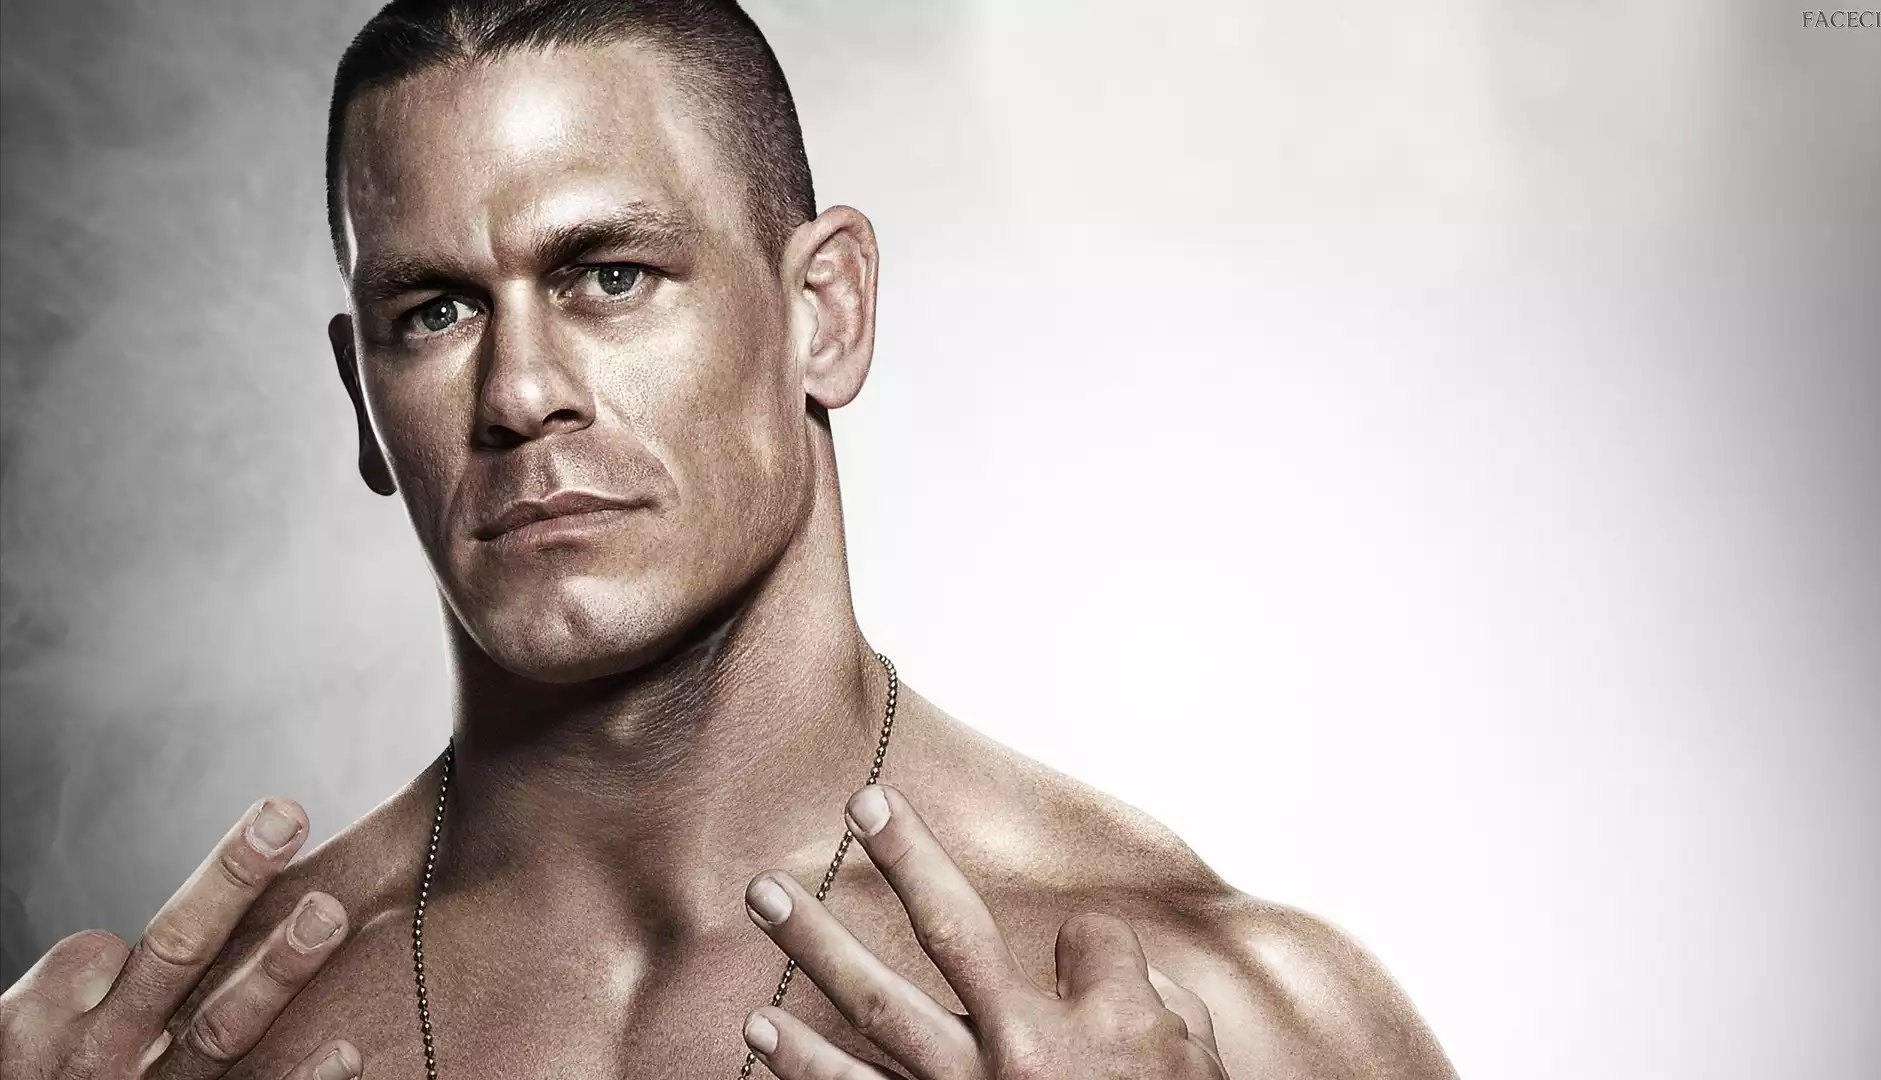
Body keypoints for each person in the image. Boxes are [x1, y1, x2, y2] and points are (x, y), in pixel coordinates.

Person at [0, 3, 1457, 1078]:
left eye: (610, 275)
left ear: (826, 311)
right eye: (434, 312)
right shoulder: (210, 1041)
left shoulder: (1218, 1007)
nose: (519, 393)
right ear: (363, 401)